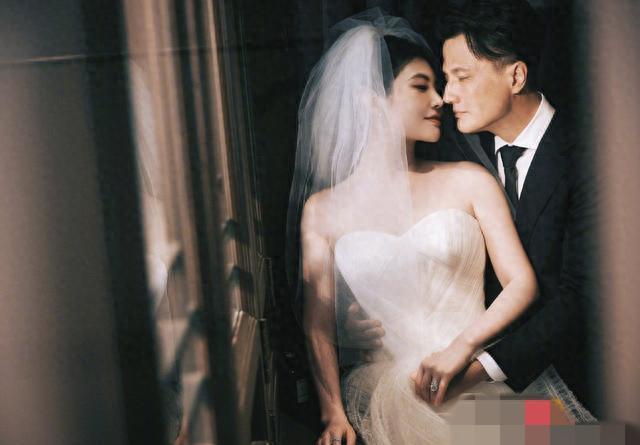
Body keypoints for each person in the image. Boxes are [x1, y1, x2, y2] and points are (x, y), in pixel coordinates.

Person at [286, 9, 569, 445]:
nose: (441, 99)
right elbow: (317, 324)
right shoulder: (321, 211)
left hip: (477, 381)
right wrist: (334, 414)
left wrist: (463, 351)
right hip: (386, 396)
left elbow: (521, 283)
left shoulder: (470, 181)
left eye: (442, 84)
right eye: (422, 87)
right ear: (370, 100)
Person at [347, 0, 598, 426]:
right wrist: (370, 314)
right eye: (445, 79)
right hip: (441, 385)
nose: (447, 96)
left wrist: (477, 368)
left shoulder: (591, 156)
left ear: (515, 76)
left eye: (462, 77)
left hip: (576, 381)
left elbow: (582, 297)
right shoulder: (450, 149)